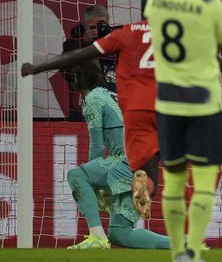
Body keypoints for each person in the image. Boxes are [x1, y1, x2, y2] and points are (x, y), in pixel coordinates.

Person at [22, 0, 222, 203]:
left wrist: (38, 68)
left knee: (147, 176)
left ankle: (134, 187)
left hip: (134, 114)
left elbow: (80, 55)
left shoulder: (125, 33)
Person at [144, 0, 222, 262]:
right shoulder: (210, 5)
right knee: (205, 183)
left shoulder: (156, 1)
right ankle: (194, 254)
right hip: (203, 104)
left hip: (168, 102)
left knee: (174, 182)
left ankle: (176, 255)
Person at [62, 61, 170, 250]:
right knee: (120, 234)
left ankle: (96, 237)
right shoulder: (110, 95)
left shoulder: (92, 99)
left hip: (127, 162)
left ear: (79, 78)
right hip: (144, 167)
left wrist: (92, 183)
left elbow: (96, 145)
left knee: (76, 175)